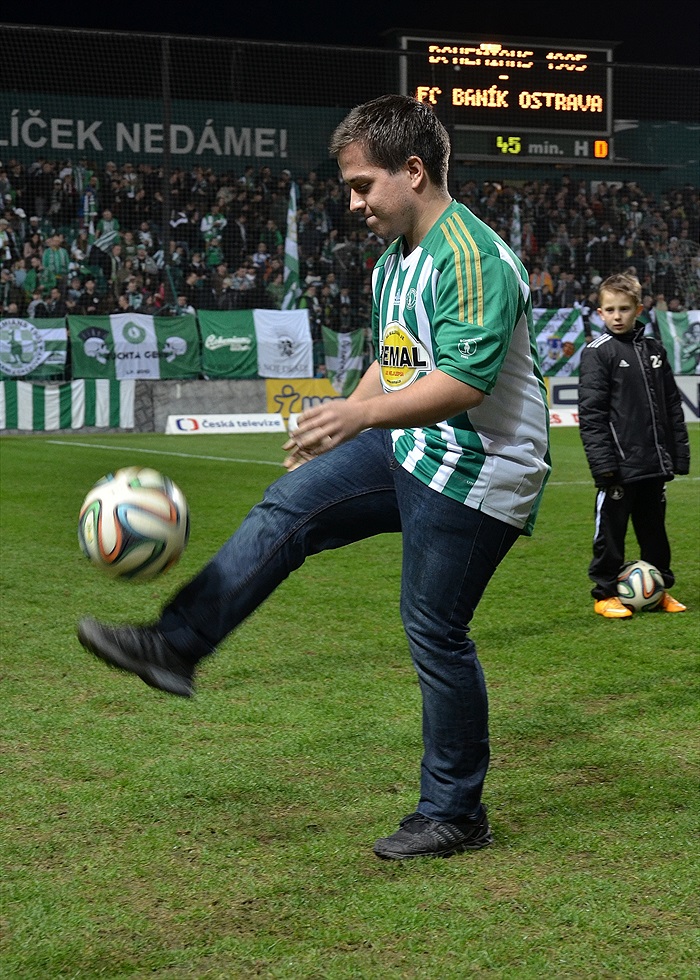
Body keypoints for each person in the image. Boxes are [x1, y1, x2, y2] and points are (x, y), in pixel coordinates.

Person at [77, 95, 551, 861]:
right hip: (414, 445)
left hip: (480, 469)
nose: (353, 203)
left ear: (414, 171)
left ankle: (456, 813)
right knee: (289, 506)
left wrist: (360, 419)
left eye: (363, 185)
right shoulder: (395, 262)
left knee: (435, 629)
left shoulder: (471, 258)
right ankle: (175, 645)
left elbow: (464, 383)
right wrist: (339, 426)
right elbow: (395, 362)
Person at [578, 272, 690, 619]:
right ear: (600, 313)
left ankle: (659, 590)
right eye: (610, 310)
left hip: (653, 463)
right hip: (619, 465)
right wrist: (603, 465)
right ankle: (605, 594)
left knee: (655, 533)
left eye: (624, 309)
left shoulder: (654, 350)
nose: (617, 316)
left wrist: (677, 455)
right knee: (610, 534)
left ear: (638, 309)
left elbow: (671, 405)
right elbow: (592, 414)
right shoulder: (598, 353)